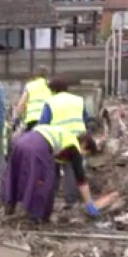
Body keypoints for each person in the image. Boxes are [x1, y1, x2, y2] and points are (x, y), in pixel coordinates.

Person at [1, 124, 100, 221]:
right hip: (38, 146)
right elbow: (81, 179)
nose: (84, 157)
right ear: (85, 145)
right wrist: (89, 204)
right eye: (86, 154)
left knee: (16, 174)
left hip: (22, 141)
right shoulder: (74, 146)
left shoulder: (65, 138)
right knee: (43, 182)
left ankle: (9, 203)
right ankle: (38, 215)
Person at [38, 78, 91, 207]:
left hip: (58, 140)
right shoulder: (78, 100)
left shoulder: (50, 102)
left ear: (53, 90)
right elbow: (86, 119)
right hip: (77, 139)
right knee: (72, 169)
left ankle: (50, 197)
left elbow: (43, 123)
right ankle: (71, 200)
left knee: (53, 168)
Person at [13, 65, 52, 131]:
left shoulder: (30, 86)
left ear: (35, 75)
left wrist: (16, 118)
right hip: (48, 119)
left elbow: (22, 104)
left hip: (32, 120)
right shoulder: (51, 85)